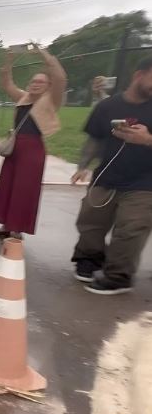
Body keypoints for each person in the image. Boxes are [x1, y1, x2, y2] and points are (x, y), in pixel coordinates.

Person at [69, 56, 152, 295]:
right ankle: (89, 259)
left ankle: (118, 276)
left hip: (145, 182)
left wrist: (147, 140)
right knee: (90, 221)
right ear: (139, 75)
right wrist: (82, 166)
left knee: (131, 227)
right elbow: (94, 139)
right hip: (107, 176)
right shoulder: (107, 107)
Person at [0, 46, 67, 239]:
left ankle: (17, 230)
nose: (36, 84)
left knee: (24, 189)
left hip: (33, 150)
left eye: (41, 82)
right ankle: (5, 225)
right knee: (8, 186)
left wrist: (45, 55)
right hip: (15, 148)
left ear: (48, 86)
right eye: (33, 81)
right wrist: (9, 60)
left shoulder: (51, 100)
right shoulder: (23, 98)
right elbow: (6, 83)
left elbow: (61, 78)